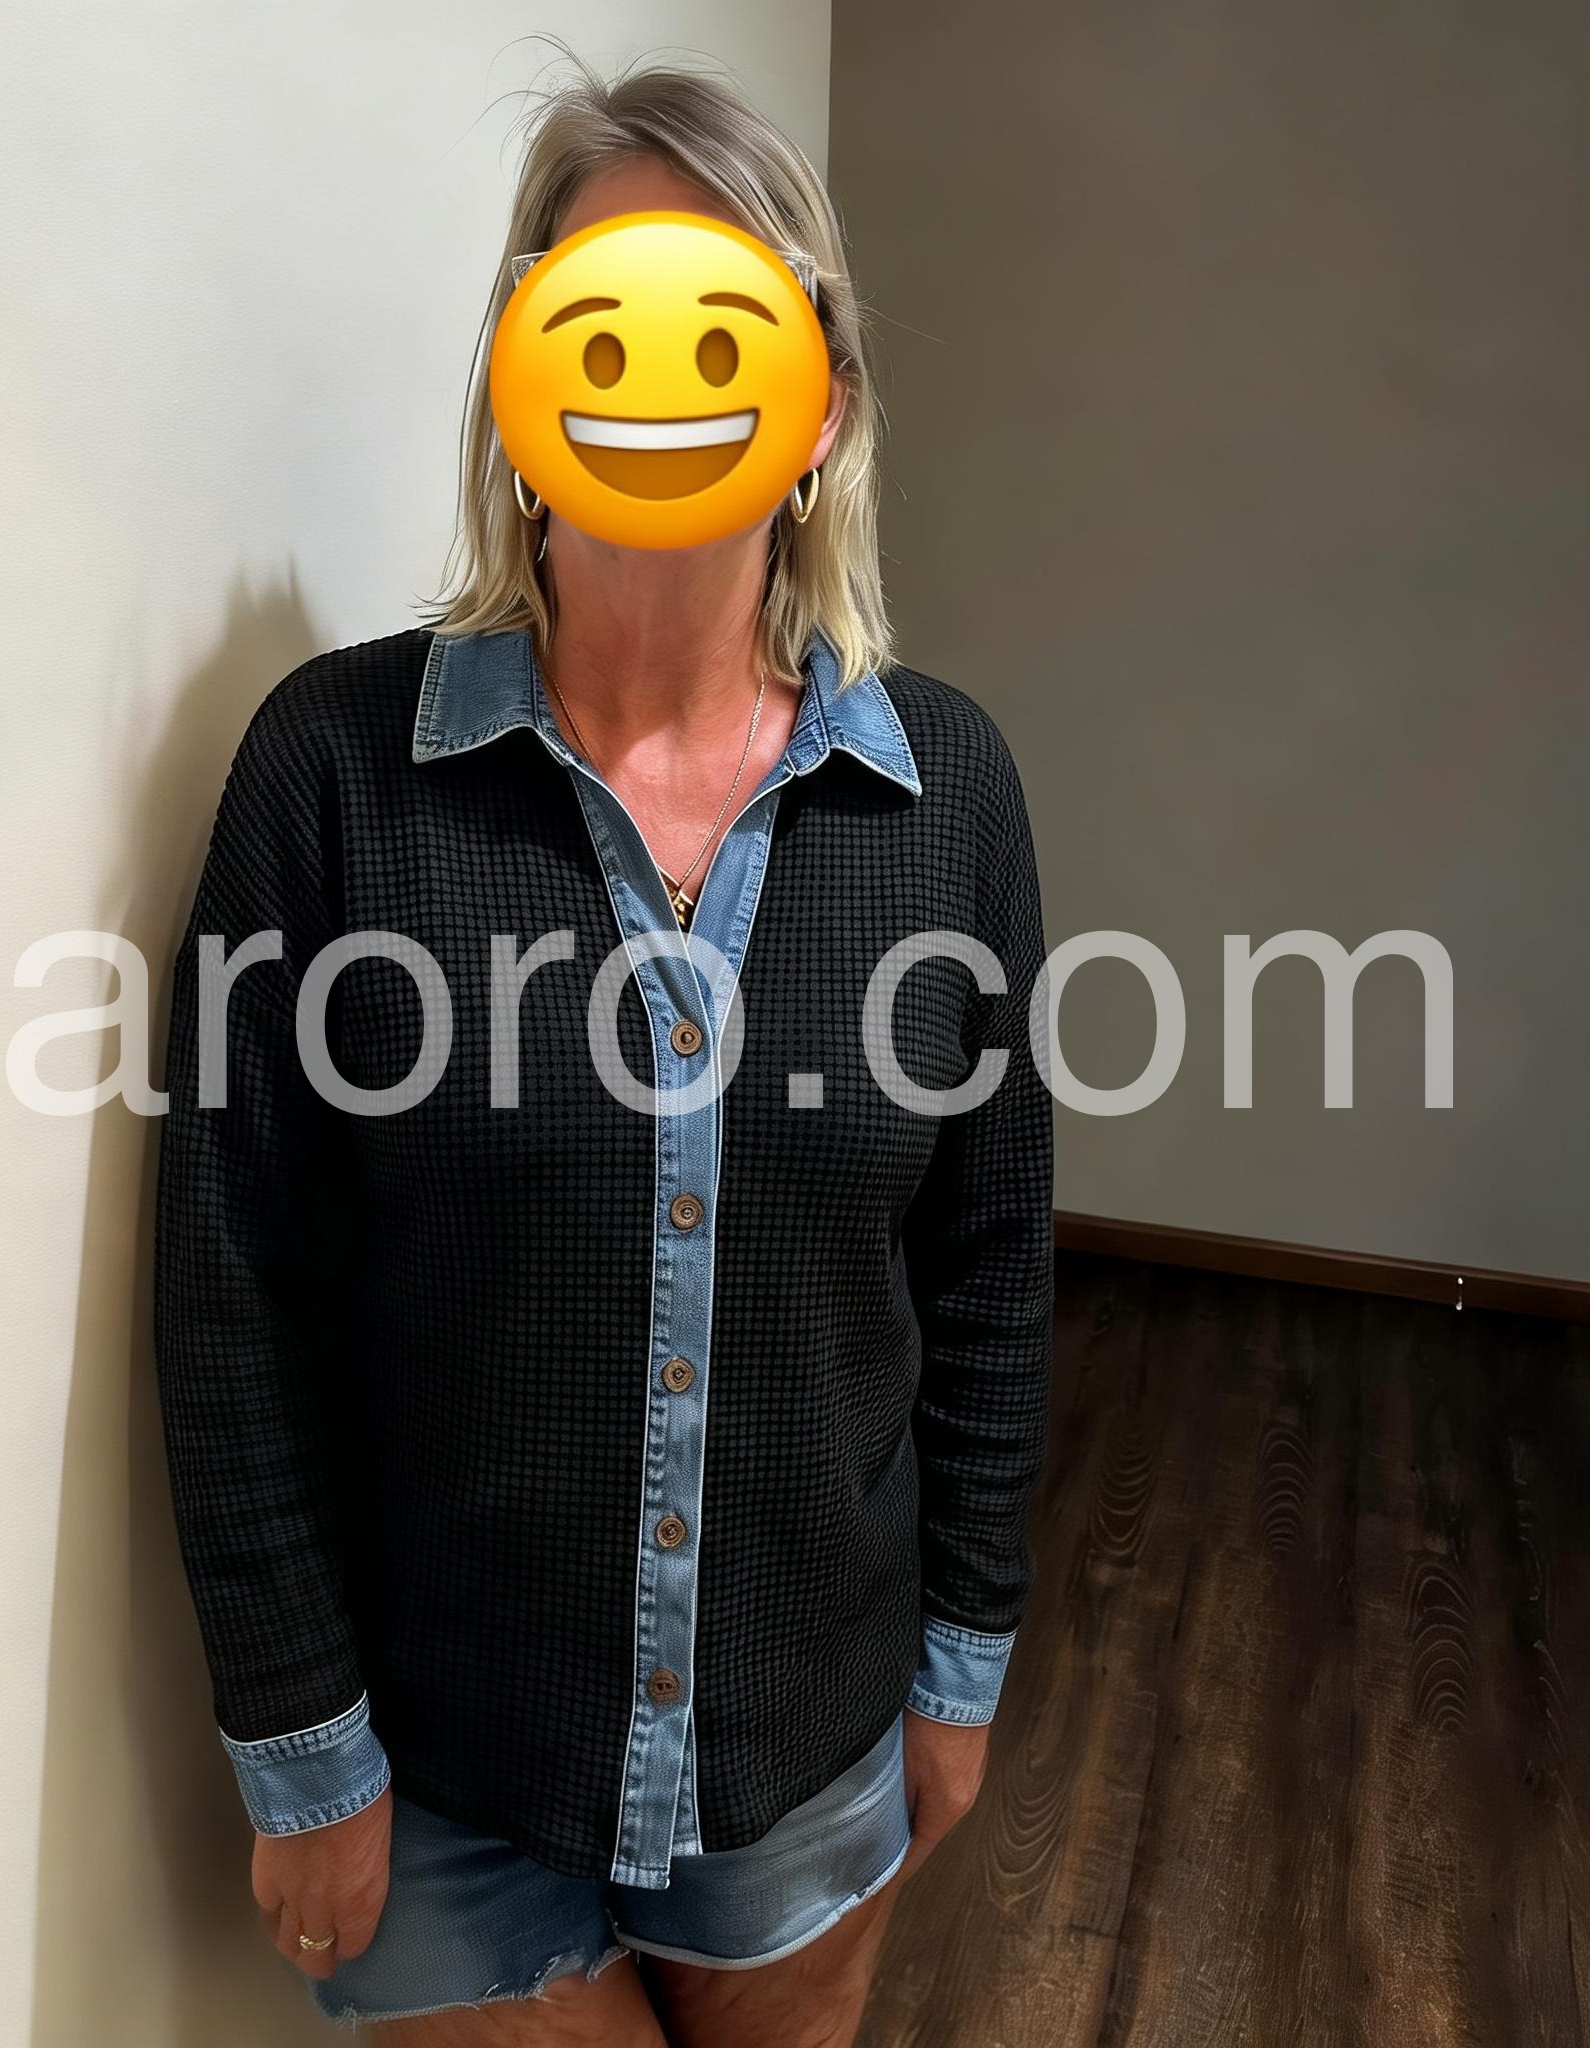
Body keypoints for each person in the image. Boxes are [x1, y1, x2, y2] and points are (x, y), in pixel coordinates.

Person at [152, 52, 1055, 2048]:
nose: (655, 368)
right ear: (518, 372)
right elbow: (230, 1291)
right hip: (434, 1772)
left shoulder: (947, 799)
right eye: (599, 304)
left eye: (720, 310)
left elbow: (988, 1267)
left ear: (820, 401)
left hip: (808, 1754)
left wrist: (960, 1665)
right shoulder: (334, 773)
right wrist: (303, 1745)